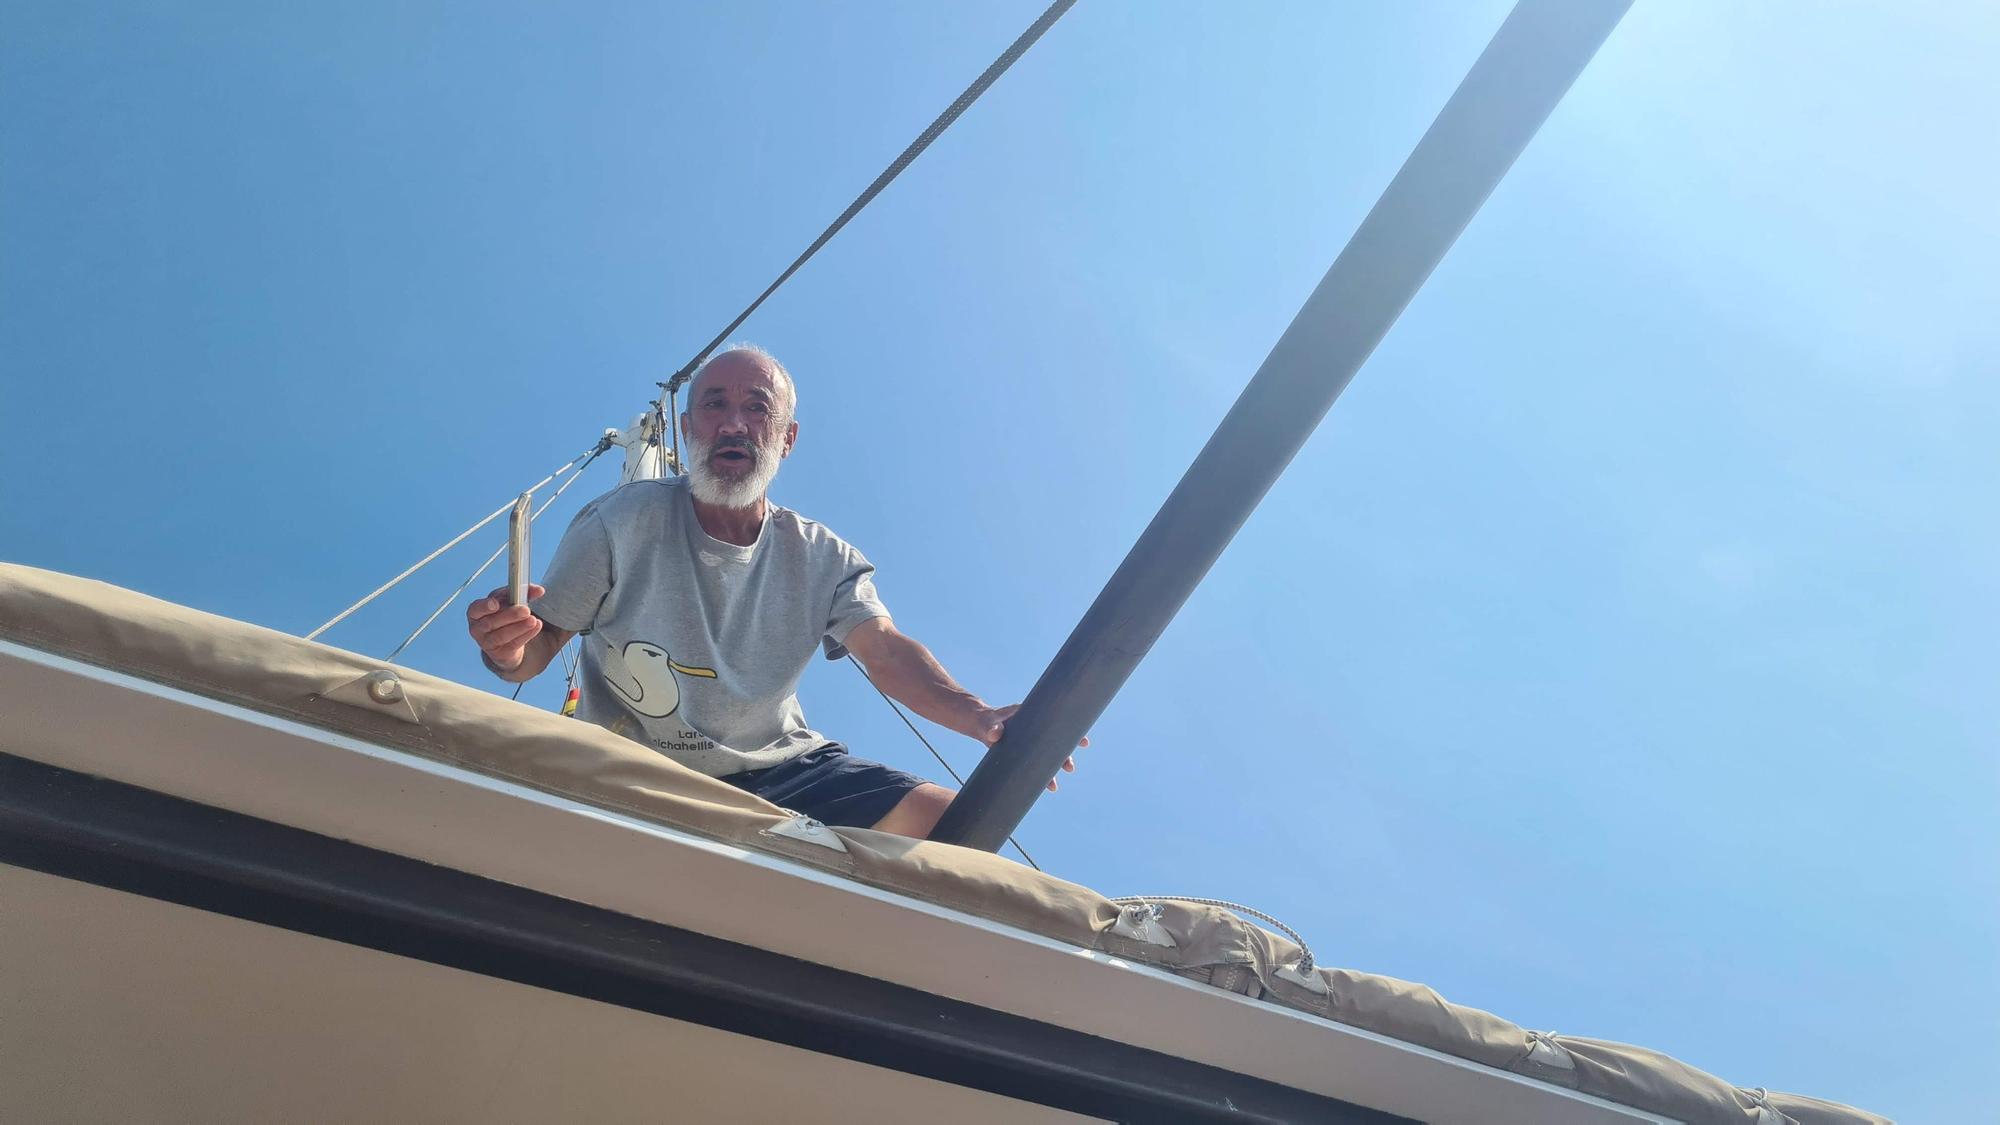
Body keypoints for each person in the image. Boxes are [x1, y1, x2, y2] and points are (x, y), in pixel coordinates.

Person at [466, 345, 1076, 839]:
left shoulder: (821, 556)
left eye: (758, 408)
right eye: (713, 405)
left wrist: (980, 716)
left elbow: (885, 651)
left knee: (955, 831)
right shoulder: (619, 521)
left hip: (784, 768)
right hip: (630, 765)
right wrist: (504, 644)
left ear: (786, 437)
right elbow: (540, 644)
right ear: (686, 430)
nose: (734, 423)